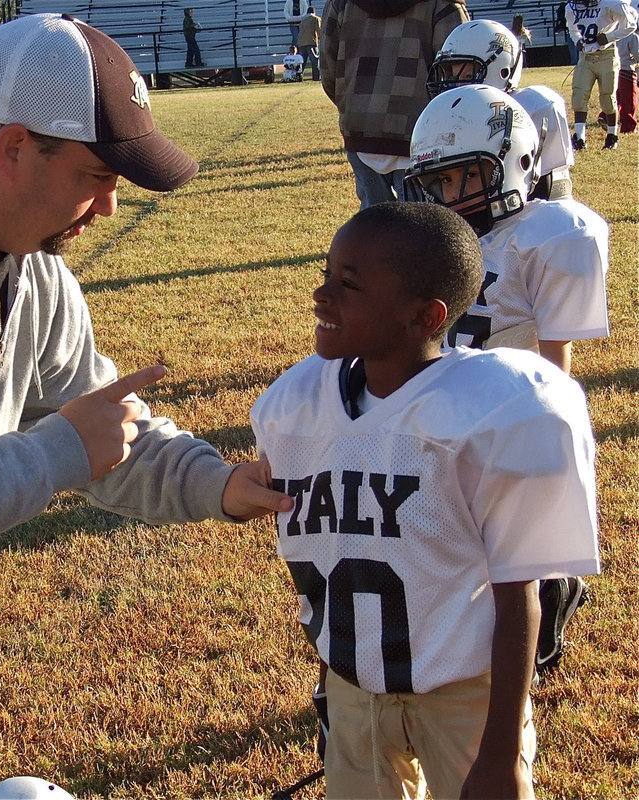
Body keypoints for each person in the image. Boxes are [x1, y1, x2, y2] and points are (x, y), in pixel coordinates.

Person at [0, 13, 293, 798]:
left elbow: (93, 413)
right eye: (98, 178)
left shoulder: (30, 263)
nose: (110, 209)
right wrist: (59, 450)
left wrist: (220, 484)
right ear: (15, 148)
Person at [251, 201, 600, 799]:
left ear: (425, 315)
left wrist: (501, 755)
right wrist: (331, 689)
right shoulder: (295, 403)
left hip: (465, 692)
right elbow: (330, 568)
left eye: (348, 284)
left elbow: (521, 593)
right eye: (328, 273)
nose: (321, 294)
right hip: (353, 686)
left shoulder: (496, 411)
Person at [407, 85, 609, 672]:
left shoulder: (552, 234)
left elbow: (555, 361)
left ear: (514, 159)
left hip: (508, 407)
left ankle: (547, 605)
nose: (449, 195)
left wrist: (546, 434)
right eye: (439, 182)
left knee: (518, 552)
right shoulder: (443, 239)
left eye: (463, 177)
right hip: (446, 406)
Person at [320, 0, 468, 208]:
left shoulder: (340, 3)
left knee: (373, 227)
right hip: (420, 129)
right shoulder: (443, 3)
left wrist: (351, 104)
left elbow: (328, 67)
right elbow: (458, 70)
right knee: (423, 225)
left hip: (361, 125)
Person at [426, 19, 575, 200]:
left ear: (501, 69)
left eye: (468, 75)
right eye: (452, 75)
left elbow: (554, 189)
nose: (457, 84)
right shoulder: (449, 112)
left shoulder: (535, 105)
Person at [564, 0, 638, 149]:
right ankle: (580, 138)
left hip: (607, 55)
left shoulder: (610, 3)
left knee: (607, 98)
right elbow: (571, 26)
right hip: (585, 56)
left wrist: (610, 37)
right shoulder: (572, 6)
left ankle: (612, 136)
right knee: (578, 96)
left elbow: (630, 25)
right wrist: (577, 39)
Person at [599, 29, 639, 130]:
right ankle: (628, 125)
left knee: (615, 96)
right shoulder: (632, 36)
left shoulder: (611, 35)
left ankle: (605, 116)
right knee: (629, 100)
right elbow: (637, 54)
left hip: (612, 68)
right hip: (627, 70)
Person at [297, 6, 322, 80]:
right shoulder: (316, 19)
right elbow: (319, 30)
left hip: (301, 43)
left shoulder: (302, 20)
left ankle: (299, 77)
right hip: (311, 42)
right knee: (315, 61)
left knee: (302, 62)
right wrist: (321, 38)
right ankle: (316, 77)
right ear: (314, 12)